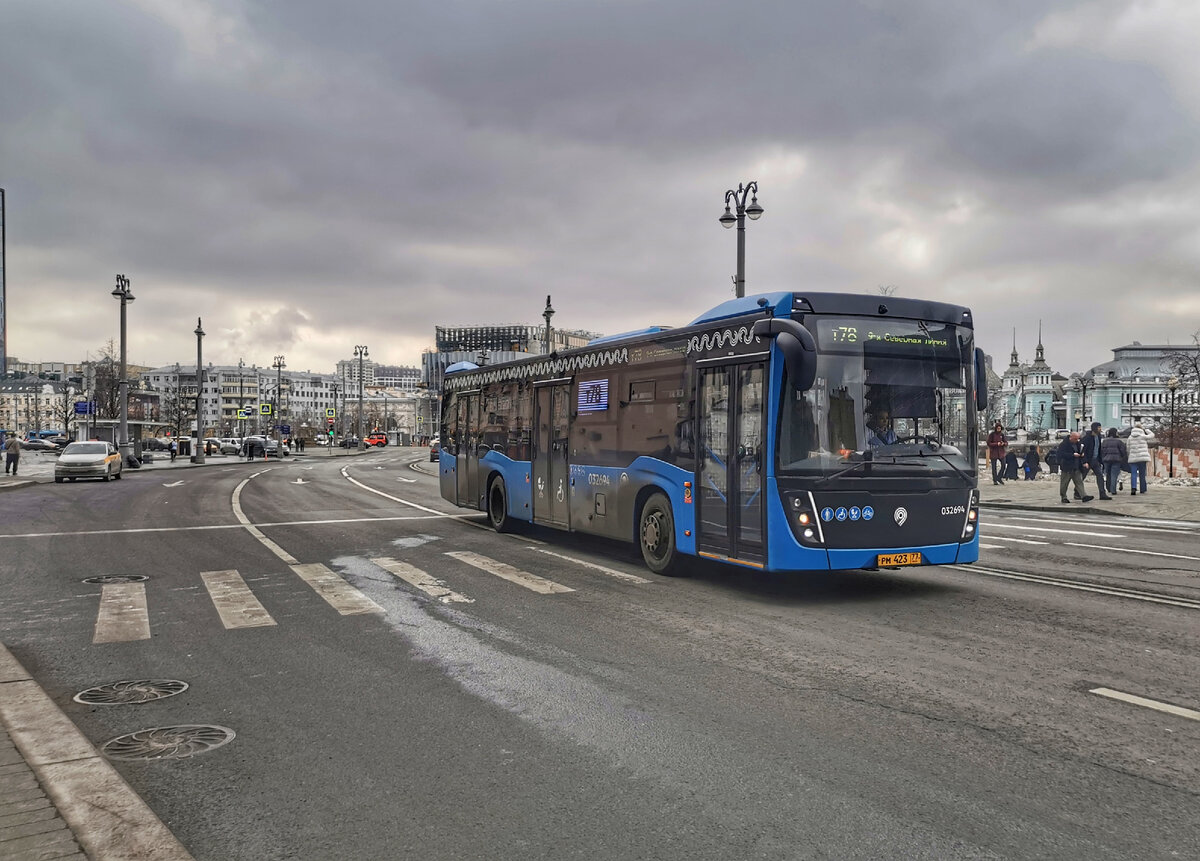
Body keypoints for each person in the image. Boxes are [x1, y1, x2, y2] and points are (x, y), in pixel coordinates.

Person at [1056, 431, 1093, 504]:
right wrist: (1072, 455)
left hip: (1077, 466)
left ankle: (1084, 496)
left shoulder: (1078, 444)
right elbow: (1060, 454)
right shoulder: (1064, 445)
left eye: (1078, 439)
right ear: (1071, 437)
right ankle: (1063, 497)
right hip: (1067, 467)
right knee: (1064, 483)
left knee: (1079, 482)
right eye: (1075, 439)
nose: (1077, 440)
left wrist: (1084, 461)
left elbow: (1082, 453)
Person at [1081, 422, 1112, 500]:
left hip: (1096, 460)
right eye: (1099, 427)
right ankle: (1077, 492)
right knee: (1082, 477)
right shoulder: (1087, 438)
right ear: (1094, 428)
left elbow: (1099, 449)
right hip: (1088, 460)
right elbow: (1083, 450)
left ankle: (1102, 493)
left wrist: (1100, 461)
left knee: (1100, 476)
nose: (1100, 429)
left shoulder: (1098, 437)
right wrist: (1085, 461)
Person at [1126, 417, 1154, 495]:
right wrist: (1146, 430)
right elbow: (1152, 435)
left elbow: (1128, 448)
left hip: (1133, 458)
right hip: (1142, 458)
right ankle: (1143, 489)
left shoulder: (1130, 437)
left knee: (1133, 473)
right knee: (1142, 473)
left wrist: (1130, 455)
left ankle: (1133, 488)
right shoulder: (1143, 436)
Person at [1100, 427, 1127, 498]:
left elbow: (1102, 450)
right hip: (1116, 460)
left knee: (1107, 474)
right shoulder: (1119, 441)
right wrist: (1122, 458)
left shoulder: (1105, 441)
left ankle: (1108, 488)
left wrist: (1103, 458)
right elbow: (1123, 451)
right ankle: (1113, 490)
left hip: (1106, 460)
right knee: (1114, 475)